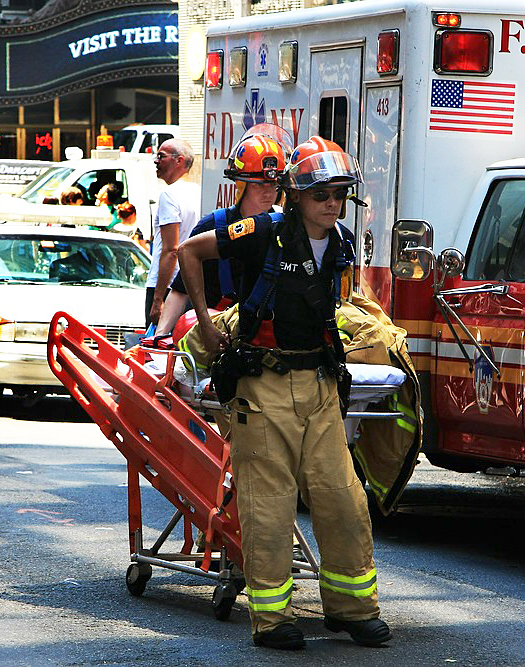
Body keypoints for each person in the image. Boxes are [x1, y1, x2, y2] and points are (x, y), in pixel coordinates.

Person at [176, 136, 391, 651]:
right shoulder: (263, 229)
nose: (331, 203)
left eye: (339, 193)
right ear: (295, 195)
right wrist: (205, 325)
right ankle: (272, 621)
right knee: (269, 506)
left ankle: (351, 608)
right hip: (262, 388)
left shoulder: (340, 242)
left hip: (317, 386)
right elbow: (188, 251)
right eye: (320, 194)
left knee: (343, 498)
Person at [154, 128, 289, 336]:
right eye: (259, 184)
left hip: (270, 336)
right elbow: (181, 291)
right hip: (219, 335)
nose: (268, 192)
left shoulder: (285, 229)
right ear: (241, 184)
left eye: (273, 184)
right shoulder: (213, 226)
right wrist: (159, 336)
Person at [146, 138, 200, 328]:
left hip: (167, 285)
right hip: (192, 283)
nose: (156, 161)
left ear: (180, 161)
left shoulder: (169, 195)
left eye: (161, 156)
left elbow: (171, 250)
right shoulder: (199, 192)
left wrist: (158, 299)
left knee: (157, 348)